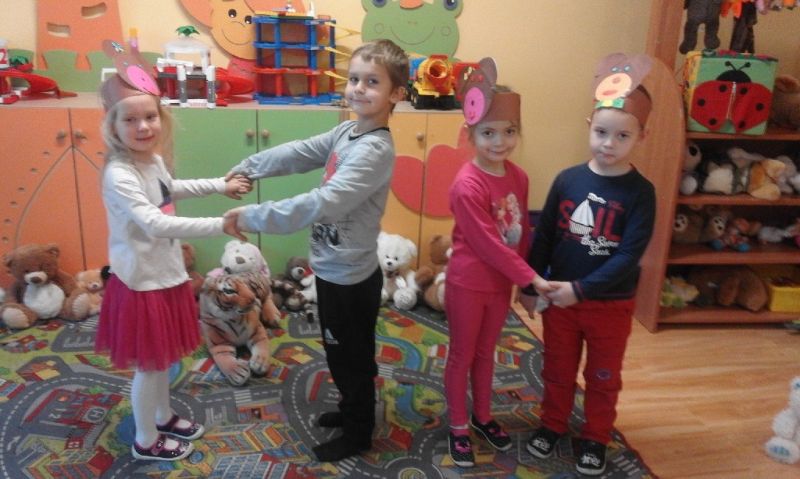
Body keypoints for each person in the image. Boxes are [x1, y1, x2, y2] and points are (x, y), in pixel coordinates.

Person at [222, 39, 409, 462]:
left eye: (372, 82)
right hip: (333, 267)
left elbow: (322, 203)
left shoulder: (375, 149)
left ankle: (358, 432)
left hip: (349, 279)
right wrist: (251, 166)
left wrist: (252, 216)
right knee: (344, 350)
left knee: (348, 356)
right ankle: (354, 408)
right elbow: (300, 152)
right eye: (354, 78)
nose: (358, 88)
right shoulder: (348, 131)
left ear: (396, 93)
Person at [94, 43, 251, 462]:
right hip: (141, 284)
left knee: (162, 361)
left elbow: (170, 190)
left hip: (164, 274)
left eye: (150, 117)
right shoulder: (120, 173)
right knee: (149, 366)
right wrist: (220, 224)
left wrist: (219, 185)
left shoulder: (151, 161)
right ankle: (146, 439)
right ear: (113, 126)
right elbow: (156, 223)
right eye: (130, 119)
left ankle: (162, 415)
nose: (143, 126)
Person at [521, 53, 657, 476]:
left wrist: (580, 290)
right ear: (588, 126)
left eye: (622, 136)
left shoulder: (642, 193)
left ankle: (596, 436)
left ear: (641, 136)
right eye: (601, 132)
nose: (608, 144)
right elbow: (544, 235)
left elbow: (629, 256)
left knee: (602, 376)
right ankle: (552, 424)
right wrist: (529, 285)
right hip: (560, 302)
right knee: (557, 370)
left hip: (609, 306)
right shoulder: (568, 179)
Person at [443, 57, 551, 468]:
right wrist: (532, 279)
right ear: (470, 133)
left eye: (509, 131)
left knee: (487, 352)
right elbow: (489, 245)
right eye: (488, 132)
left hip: (499, 285)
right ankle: (457, 426)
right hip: (468, 284)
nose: (499, 142)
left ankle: (483, 416)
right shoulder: (466, 185)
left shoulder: (518, 177)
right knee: (463, 354)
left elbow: (521, 232)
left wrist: (522, 285)